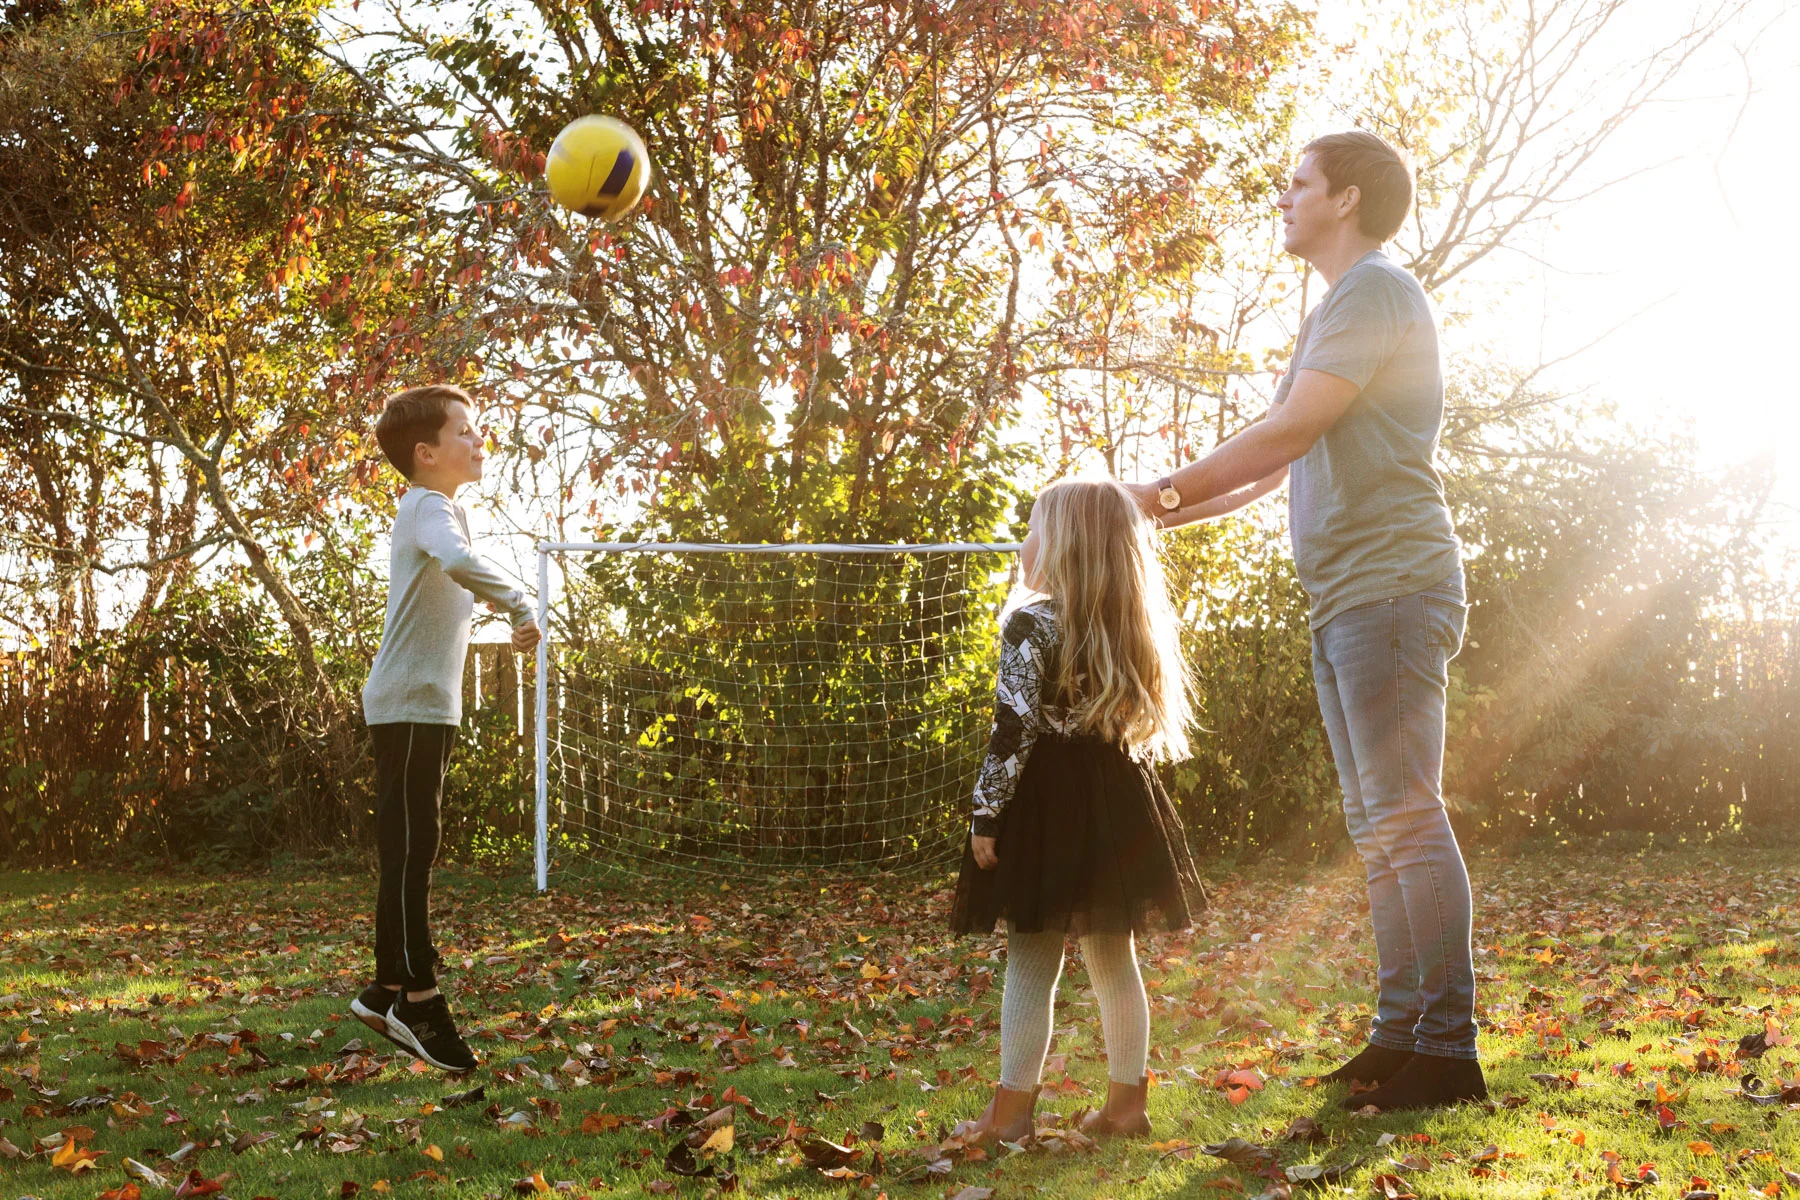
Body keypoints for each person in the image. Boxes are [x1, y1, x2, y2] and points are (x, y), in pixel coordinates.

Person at [1128, 130, 1485, 1110]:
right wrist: (1152, 519)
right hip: (1349, 592)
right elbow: (1283, 464)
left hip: (1394, 584)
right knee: (1378, 826)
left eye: (1299, 185)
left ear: (1348, 198)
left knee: (1406, 817)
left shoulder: (1375, 290)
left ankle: (1447, 1050)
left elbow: (1288, 430)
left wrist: (1154, 492)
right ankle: (1398, 1035)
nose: (1283, 199)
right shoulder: (1341, 307)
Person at [947, 479, 1203, 1144]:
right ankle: (1126, 1108)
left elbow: (1015, 727)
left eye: (1033, 528)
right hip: (1114, 801)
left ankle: (1008, 1117)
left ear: (1061, 545)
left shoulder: (1032, 622)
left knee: (1032, 954)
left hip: (1044, 804)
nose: (1023, 542)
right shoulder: (1126, 625)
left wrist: (985, 813)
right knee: (1112, 957)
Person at [353, 384, 541, 1073]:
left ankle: (384, 992)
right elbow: (460, 564)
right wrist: (519, 598)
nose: (478, 439)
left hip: (417, 703)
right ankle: (420, 1002)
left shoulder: (435, 510)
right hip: (407, 705)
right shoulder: (434, 508)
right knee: (413, 850)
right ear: (426, 453)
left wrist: (505, 619)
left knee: (410, 847)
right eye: (465, 430)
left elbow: (445, 591)